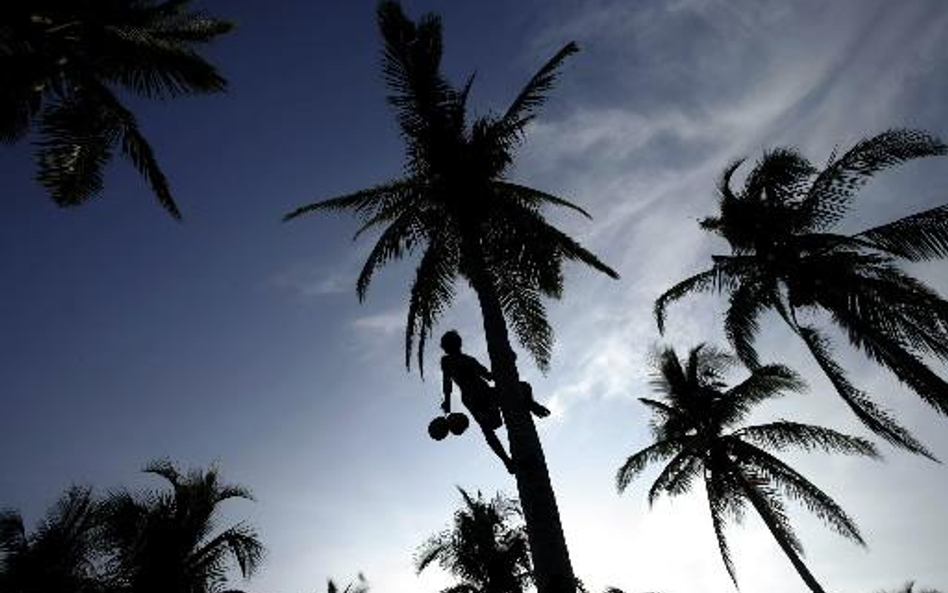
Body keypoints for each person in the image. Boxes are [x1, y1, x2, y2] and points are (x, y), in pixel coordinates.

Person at [439, 330, 550, 474]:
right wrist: (447, 402)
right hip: (474, 399)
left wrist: (507, 363)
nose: (451, 346)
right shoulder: (447, 361)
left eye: (453, 343)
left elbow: (489, 376)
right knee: (489, 428)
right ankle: (507, 461)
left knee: (523, 387)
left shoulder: (469, 360)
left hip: (486, 393)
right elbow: (447, 382)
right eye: (449, 344)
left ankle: (530, 404)